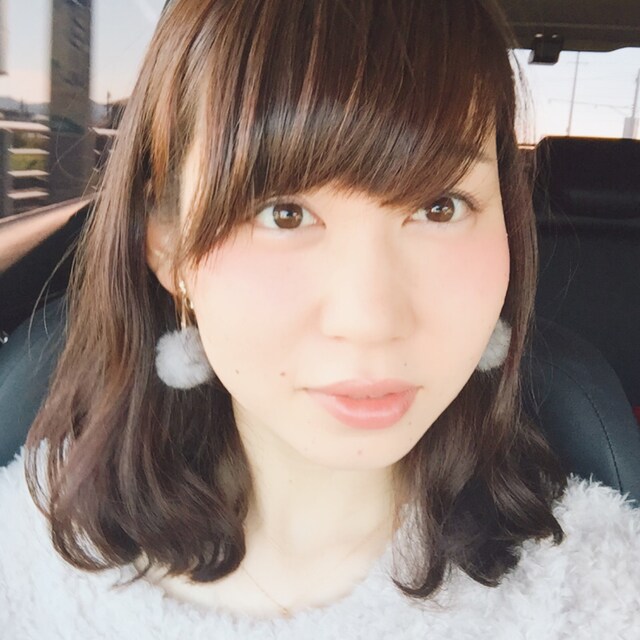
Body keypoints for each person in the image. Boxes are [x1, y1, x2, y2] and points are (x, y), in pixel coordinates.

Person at [1, 0, 638, 637]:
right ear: (167, 244)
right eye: (284, 214)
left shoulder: (595, 595)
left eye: (440, 207)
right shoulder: (22, 568)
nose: (370, 319)